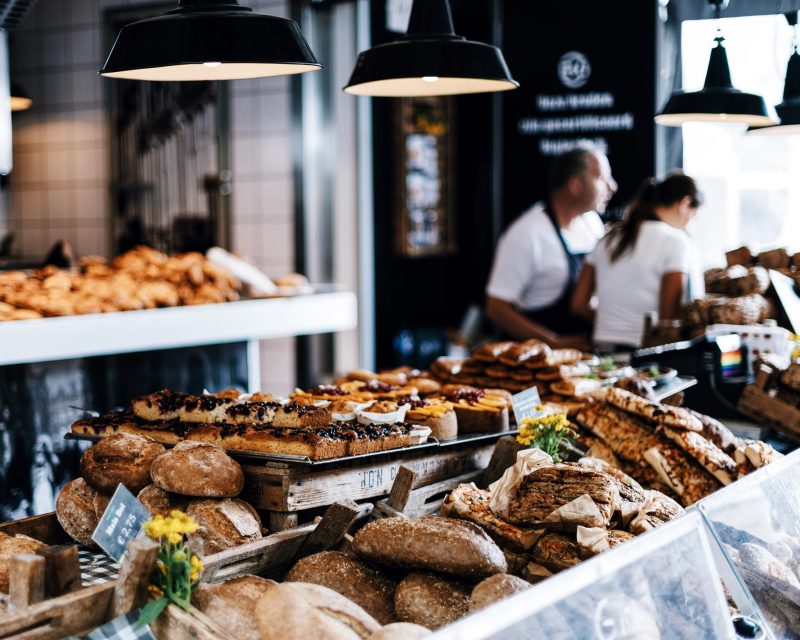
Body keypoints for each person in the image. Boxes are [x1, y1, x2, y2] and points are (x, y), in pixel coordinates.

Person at [485, 146, 617, 349]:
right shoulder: (527, 234)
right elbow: (496, 308)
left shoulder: (591, 223)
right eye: (602, 178)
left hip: (587, 355)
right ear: (575, 185)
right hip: (538, 360)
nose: (612, 187)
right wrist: (552, 343)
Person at [570, 172, 704, 350]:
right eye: (693, 216)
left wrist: (613, 321)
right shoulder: (676, 241)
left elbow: (578, 305)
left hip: (602, 349)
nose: (689, 223)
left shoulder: (607, 238)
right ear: (685, 204)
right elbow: (668, 319)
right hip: (645, 353)